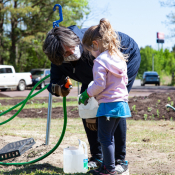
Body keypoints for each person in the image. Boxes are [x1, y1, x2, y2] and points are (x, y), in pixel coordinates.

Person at [43, 20, 141, 175]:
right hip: (92, 76)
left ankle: (119, 161)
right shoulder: (58, 57)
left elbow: (102, 84)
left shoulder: (91, 46)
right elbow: (54, 84)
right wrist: (60, 89)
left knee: (113, 104)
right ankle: (98, 157)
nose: (70, 56)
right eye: (65, 56)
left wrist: (93, 95)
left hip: (123, 58)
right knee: (87, 107)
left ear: (75, 41)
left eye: (70, 51)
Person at [78, 18, 131, 175]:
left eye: (91, 51)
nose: (92, 56)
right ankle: (108, 166)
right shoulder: (118, 58)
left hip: (108, 106)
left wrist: (86, 94)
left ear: (95, 44)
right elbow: (125, 81)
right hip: (121, 104)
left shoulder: (100, 61)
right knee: (110, 137)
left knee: (104, 138)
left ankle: (109, 170)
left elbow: (99, 85)